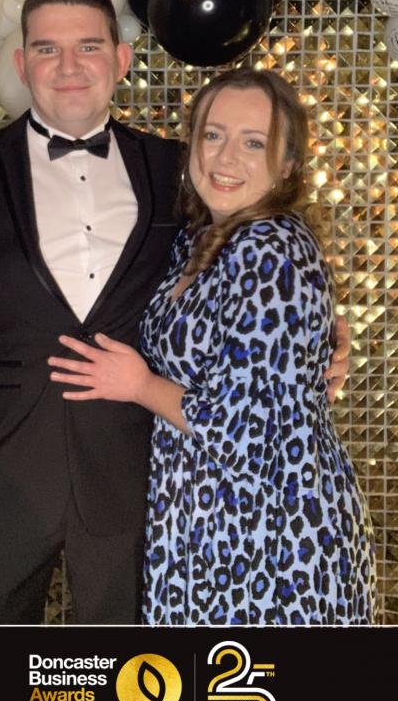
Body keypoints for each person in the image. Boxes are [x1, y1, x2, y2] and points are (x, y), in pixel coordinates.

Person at [0, 0, 350, 625]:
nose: (69, 66)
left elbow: (246, 272)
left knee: (122, 675)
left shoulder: (177, 168)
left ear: (121, 59)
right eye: (47, 48)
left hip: (136, 481)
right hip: (1, 480)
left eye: (88, 46)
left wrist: (321, 339)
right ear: (21, 63)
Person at [49, 67, 377, 625]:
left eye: (253, 143)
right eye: (213, 135)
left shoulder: (271, 250)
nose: (226, 158)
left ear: (287, 164)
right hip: (205, 529)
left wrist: (138, 385)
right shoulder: (198, 240)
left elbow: (244, 429)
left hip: (272, 539)